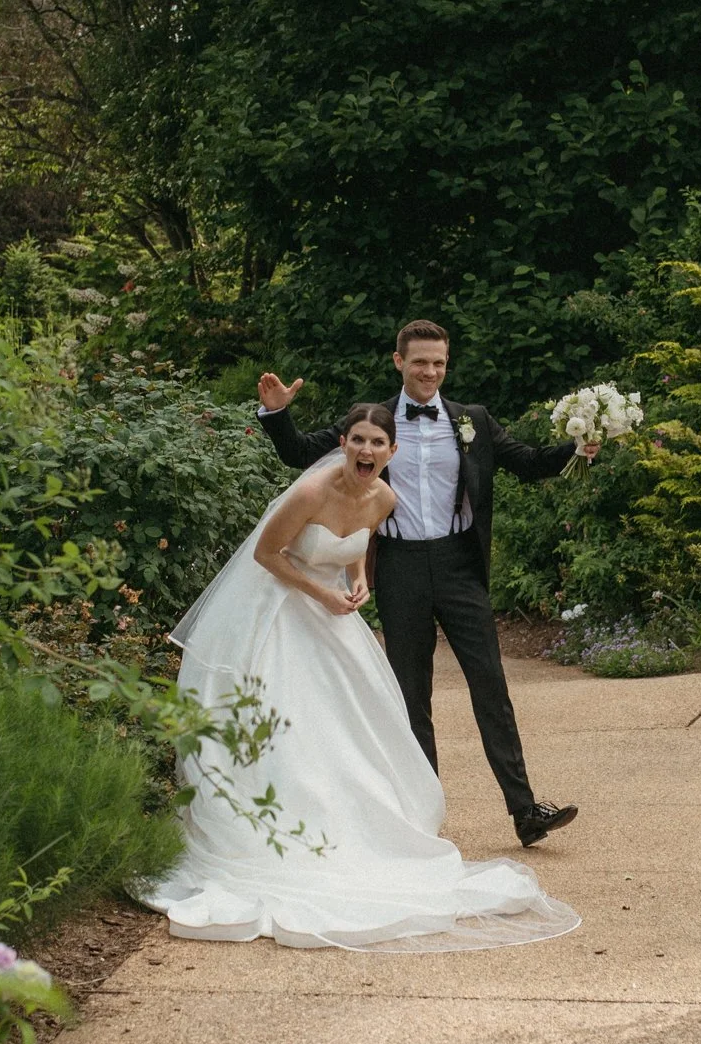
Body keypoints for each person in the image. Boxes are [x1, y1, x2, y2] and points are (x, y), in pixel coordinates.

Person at [136, 403, 580, 950]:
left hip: (335, 612)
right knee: (292, 722)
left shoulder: (385, 498)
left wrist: (356, 583)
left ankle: (379, 820)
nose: (366, 451)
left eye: (377, 444)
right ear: (344, 443)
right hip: (281, 610)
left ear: (391, 453)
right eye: (358, 441)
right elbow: (266, 554)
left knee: (354, 720)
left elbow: (357, 549)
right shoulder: (309, 493)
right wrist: (324, 593)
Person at [255, 320, 596, 847]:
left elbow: (527, 463)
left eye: (438, 362)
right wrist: (278, 413)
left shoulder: (473, 421)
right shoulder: (373, 426)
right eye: (419, 362)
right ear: (399, 363)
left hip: (460, 564)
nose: (430, 372)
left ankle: (526, 811)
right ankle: (423, 816)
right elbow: (299, 452)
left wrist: (576, 448)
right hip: (401, 567)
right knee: (412, 694)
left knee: (491, 685)